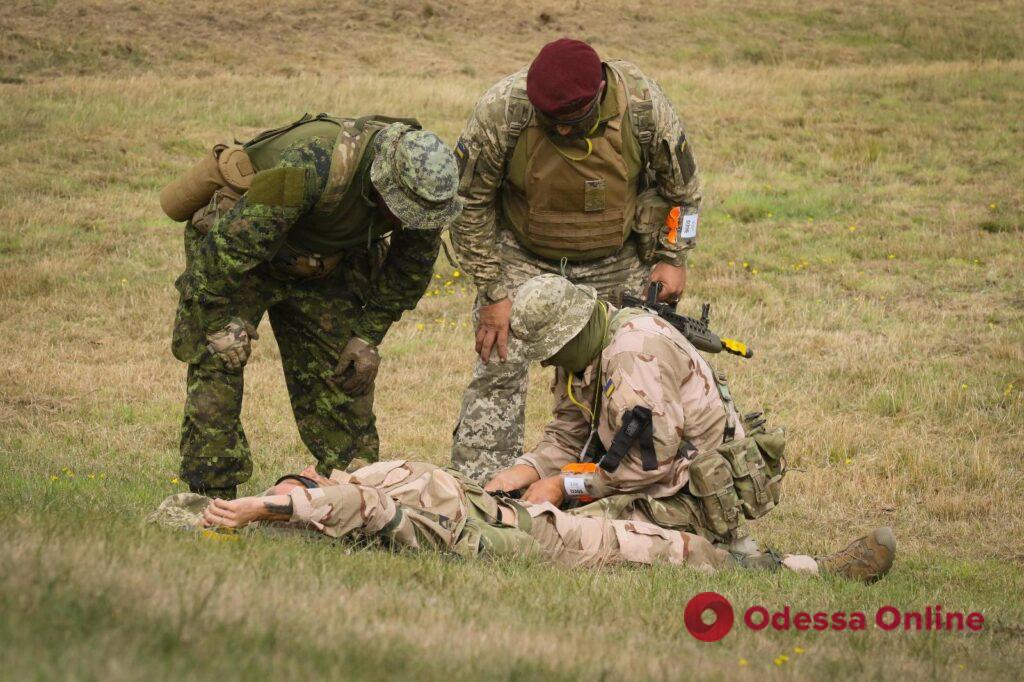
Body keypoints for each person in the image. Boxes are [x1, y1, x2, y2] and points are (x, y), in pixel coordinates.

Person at [164, 113, 461, 499]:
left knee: (345, 371)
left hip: (324, 263)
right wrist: (218, 320)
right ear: (382, 182)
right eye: (402, 210)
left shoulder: (426, 194)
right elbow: (226, 250)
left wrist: (367, 335)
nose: (410, 221)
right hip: (243, 256)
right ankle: (211, 494)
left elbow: (409, 270)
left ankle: (354, 495)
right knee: (218, 359)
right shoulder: (311, 165)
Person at [450, 38, 703, 480]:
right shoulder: (503, 111)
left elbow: (684, 191)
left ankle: (607, 481)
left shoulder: (642, 105)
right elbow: (467, 202)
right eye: (553, 123)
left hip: (618, 256)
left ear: (600, 92)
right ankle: (482, 490)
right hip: (523, 255)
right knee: (498, 362)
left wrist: (673, 257)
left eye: (574, 121)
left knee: (625, 366)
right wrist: (492, 291)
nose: (563, 132)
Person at [148, 459, 896, 583]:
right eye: (293, 488)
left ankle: (759, 556)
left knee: (661, 512)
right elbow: (355, 509)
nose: (299, 478)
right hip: (538, 543)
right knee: (667, 549)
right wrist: (266, 508)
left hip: (525, 509)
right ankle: (810, 574)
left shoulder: (367, 475)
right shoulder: (362, 506)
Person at [483, 274, 783, 556]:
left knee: (562, 533)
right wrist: (522, 472)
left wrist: (562, 485)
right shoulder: (582, 347)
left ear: (573, 331)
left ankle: (735, 553)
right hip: (643, 476)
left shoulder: (634, 356)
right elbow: (567, 434)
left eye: (550, 351)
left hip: (689, 492)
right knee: (538, 515)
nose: (546, 362)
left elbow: (647, 465)